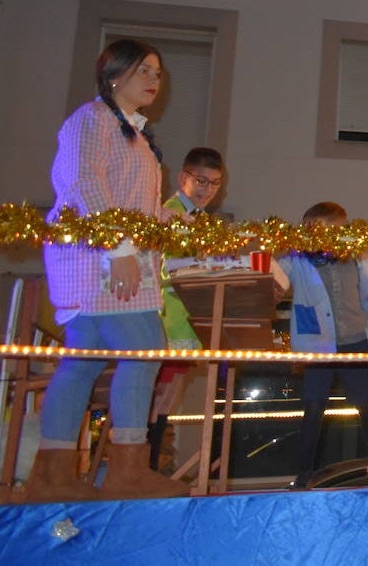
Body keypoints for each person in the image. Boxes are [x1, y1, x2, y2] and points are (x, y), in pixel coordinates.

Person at [26, 38, 189, 502]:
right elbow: (83, 183)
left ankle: (52, 475)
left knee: (82, 364)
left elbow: (131, 201)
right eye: (144, 71)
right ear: (114, 75)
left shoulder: (135, 135)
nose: (154, 80)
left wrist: (165, 220)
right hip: (99, 261)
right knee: (144, 351)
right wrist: (118, 250)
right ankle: (127, 470)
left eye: (158, 73)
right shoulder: (92, 120)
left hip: (109, 259)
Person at [278, 202, 368, 489]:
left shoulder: (356, 256)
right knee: (314, 405)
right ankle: (305, 472)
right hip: (318, 345)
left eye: (335, 230)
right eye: (319, 231)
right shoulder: (297, 260)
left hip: (355, 340)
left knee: (365, 404)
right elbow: (274, 278)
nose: (328, 237)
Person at [148, 147, 226, 471]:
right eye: (201, 181)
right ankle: (145, 464)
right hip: (168, 317)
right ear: (183, 178)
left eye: (215, 183)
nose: (208, 190)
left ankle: (150, 463)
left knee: (168, 396)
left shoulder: (198, 218)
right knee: (159, 394)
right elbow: (170, 268)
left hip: (185, 317)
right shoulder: (172, 213)